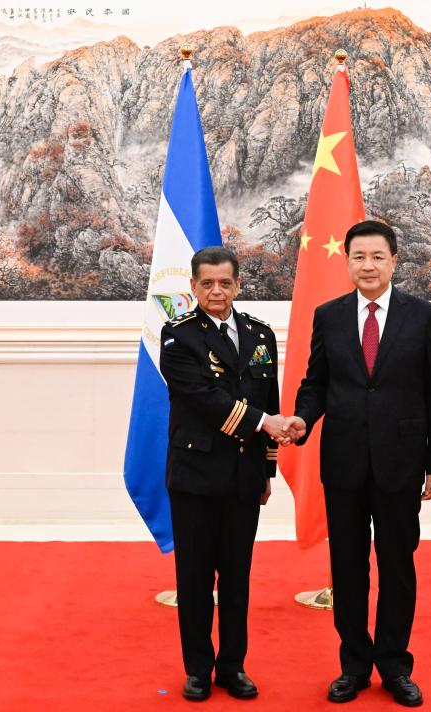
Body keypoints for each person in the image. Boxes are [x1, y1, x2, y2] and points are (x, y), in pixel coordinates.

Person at [284, 220, 431, 707]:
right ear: (347, 261)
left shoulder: (423, 316)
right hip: (345, 462)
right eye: (359, 256)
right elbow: (316, 383)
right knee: (348, 567)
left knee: (397, 566)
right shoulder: (329, 316)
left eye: (378, 256)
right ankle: (354, 667)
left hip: (402, 461)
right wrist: (302, 418)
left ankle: (395, 666)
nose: (368, 265)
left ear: (394, 260)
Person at [159, 246, 291, 701]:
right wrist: (264, 422)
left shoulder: (260, 333)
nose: (217, 291)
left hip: (242, 476)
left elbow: (270, 398)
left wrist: (267, 469)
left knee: (237, 578)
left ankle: (233, 666)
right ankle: (198, 669)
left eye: (225, 283)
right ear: (193, 287)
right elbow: (202, 398)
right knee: (195, 579)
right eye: (207, 283)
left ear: (238, 284)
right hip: (195, 476)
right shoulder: (178, 336)